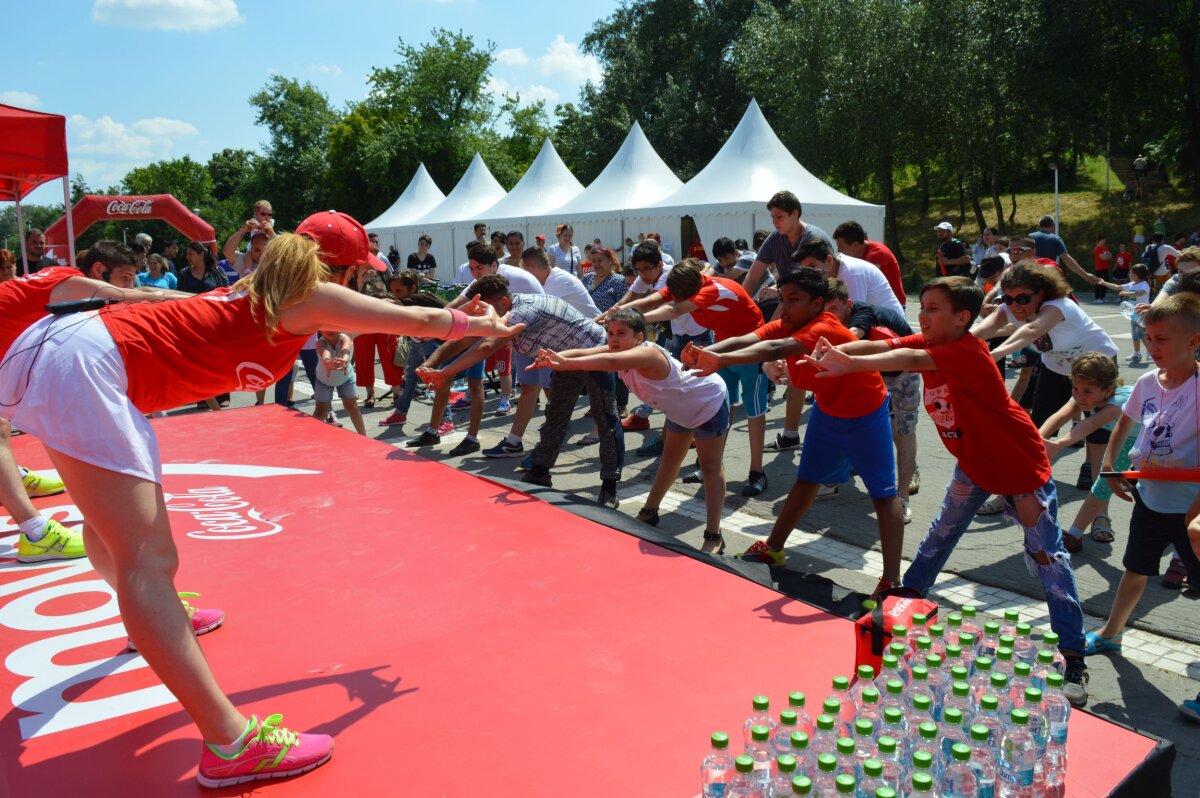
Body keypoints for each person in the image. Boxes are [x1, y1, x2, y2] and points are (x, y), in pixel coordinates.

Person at [0, 215, 520, 788]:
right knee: (150, 561)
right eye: (355, 270)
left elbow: (289, 329)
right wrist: (486, 325)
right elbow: (420, 318)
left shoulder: (262, 284)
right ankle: (230, 744)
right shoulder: (310, 293)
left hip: (59, 348)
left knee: (113, 529)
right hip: (86, 365)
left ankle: (153, 623)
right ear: (338, 267)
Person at [807, 276, 1091, 707]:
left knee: (1047, 557)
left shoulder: (965, 351)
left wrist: (847, 364)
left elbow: (907, 356)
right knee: (943, 531)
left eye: (934, 308)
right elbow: (887, 346)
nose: (923, 314)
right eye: (923, 306)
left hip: (1018, 467)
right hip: (973, 463)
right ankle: (908, 601)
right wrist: (838, 352)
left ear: (962, 318)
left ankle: (1073, 654)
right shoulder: (938, 339)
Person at [685, 268, 904, 592]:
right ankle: (774, 548)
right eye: (782, 298)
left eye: (794, 300)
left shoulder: (821, 327)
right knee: (806, 481)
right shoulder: (791, 323)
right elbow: (752, 338)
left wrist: (721, 361)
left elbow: (774, 350)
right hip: (828, 411)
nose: (784, 307)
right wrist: (710, 351)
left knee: (884, 497)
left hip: (865, 413)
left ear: (818, 303)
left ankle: (891, 580)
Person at [419, 273, 624, 507]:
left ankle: (610, 487)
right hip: (565, 359)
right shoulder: (503, 309)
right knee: (556, 415)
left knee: (606, 418)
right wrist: (430, 365)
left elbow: (486, 346)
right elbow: (461, 340)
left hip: (595, 352)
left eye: (486, 308)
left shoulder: (523, 312)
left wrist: (445, 373)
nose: (482, 314)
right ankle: (540, 471)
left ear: (503, 303)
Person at [534, 307, 729, 542]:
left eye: (621, 333)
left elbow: (608, 360)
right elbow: (586, 352)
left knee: (710, 466)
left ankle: (714, 534)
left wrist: (562, 364)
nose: (614, 339)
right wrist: (555, 356)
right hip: (680, 409)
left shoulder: (647, 355)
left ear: (639, 337)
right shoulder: (621, 350)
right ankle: (650, 511)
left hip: (707, 401)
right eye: (610, 333)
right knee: (670, 459)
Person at [1085, 295, 1200, 659]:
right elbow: (1124, 424)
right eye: (1148, 338)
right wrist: (1108, 466)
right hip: (1150, 498)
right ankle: (1111, 633)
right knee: (1135, 569)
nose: (1152, 346)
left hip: (1190, 508)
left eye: (1162, 339)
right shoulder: (1149, 381)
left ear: (1194, 342)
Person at [614, 258, 770, 497]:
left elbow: (674, 309)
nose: (674, 298)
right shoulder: (687, 283)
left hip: (752, 350)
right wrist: (621, 312)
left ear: (691, 292)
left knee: (754, 411)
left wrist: (634, 321)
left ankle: (757, 472)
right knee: (722, 406)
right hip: (722, 350)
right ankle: (709, 466)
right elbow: (656, 299)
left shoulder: (711, 290)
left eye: (678, 296)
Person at [971, 261, 1118, 498]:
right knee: (1040, 424)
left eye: (1022, 298)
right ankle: (1022, 488)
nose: (1015, 305)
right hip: (1057, 368)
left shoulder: (1058, 306)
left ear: (1041, 293)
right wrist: (946, 343)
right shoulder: (1012, 307)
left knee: (1097, 427)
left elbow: (1032, 331)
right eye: (1008, 299)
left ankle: (1092, 470)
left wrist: (995, 354)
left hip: (1096, 363)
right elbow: (982, 330)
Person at [410, 244, 544, 455]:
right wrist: (431, 337)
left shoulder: (513, 284)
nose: (474, 273)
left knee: (529, 386)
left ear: (494, 265)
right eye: (471, 268)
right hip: (515, 329)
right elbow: (457, 307)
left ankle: (533, 438)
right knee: (528, 387)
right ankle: (435, 430)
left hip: (536, 333)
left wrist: (442, 368)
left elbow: (486, 345)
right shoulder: (482, 284)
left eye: (478, 268)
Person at [736, 191, 838, 453]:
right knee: (786, 360)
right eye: (772, 217)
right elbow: (753, 276)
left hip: (822, 307)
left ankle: (833, 441)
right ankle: (792, 434)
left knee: (811, 369)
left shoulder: (813, 240)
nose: (775, 222)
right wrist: (742, 305)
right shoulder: (775, 238)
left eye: (779, 217)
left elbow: (829, 285)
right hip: (795, 304)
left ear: (795, 214)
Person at [602, 242, 713, 459]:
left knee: (681, 389)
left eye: (647, 269)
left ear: (659, 265)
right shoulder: (650, 276)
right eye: (638, 270)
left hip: (697, 337)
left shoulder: (668, 278)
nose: (643, 275)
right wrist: (609, 314)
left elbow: (652, 304)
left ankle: (674, 437)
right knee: (671, 387)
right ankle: (659, 425)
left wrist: (621, 315)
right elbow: (630, 298)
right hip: (679, 335)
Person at [822, 279, 920, 522]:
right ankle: (834, 477)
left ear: (848, 304)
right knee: (848, 418)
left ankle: (903, 497)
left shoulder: (862, 313)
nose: (828, 315)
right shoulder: (827, 317)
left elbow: (851, 337)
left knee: (903, 428)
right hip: (868, 369)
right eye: (822, 309)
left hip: (902, 371)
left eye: (833, 309)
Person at [1039, 354, 1133, 552]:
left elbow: (1089, 424)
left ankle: (1180, 548)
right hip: (1128, 441)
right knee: (1103, 484)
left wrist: (1058, 444)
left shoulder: (1119, 402)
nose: (1079, 396)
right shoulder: (1085, 395)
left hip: (1154, 442)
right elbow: (1057, 417)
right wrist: (1038, 438)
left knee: (1163, 493)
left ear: (1107, 390)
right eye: (1075, 388)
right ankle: (1074, 534)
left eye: (1087, 391)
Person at [381, 271, 451, 428]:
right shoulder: (409, 299)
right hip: (417, 344)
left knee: (436, 382)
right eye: (393, 291)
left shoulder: (421, 298)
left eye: (399, 291)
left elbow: (448, 310)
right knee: (410, 378)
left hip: (432, 346)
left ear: (413, 288)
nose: (395, 295)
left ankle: (446, 420)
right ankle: (400, 413)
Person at [833, 220, 906, 306]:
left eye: (841, 247)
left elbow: (863, 286)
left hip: (889, 306)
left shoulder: (877, 254)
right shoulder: (861, 252)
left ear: (855, 245)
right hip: (878, 304)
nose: (838, 251)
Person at [311, 330, 367, 435]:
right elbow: (325, 353)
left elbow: (345, 350)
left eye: (332, 326)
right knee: (320, 411)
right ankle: (313, 439)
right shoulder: (320, 342)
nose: (329, 330)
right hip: (324, 380)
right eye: (325, 327)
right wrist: (327, 362)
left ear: (339, 327)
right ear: (320, 330)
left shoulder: (345, 338)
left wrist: (344, 360)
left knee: (352, 407)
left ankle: (364, 436)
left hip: (346, 378)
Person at [1094, 264, 1152, 364]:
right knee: (1135, 335)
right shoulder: (1132, 284)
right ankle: (1137, 353)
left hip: (1142, 312)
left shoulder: (1144, 285)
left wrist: (1125, 293)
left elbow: (1140, 293)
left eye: (1131, 272)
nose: (1129, 274)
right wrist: (1103, 283)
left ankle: (1150, 352)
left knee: (1141, 333)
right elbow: (1117, 287)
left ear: (1137, 275)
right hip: (1133, 312)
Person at [1029, 215, 1100, 285]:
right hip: (1047, 278)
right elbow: (1067, 259)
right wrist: (1086, 275)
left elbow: (1018, 253)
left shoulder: (1028, 237)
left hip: (1029, 277)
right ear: (1053, 226)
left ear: (1039, 226)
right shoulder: (1055, 239)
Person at [1092, 235, 1113, 303]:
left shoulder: (1105, 248)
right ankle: (1097, 298)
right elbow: (1103, 258)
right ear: (1101, 240)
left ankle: (1102, 297)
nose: (1105, 241)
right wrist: (1107, 256)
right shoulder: (1097, 248)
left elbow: (1110, 256)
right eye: (1104, 240)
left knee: (1105, 282)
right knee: (1099, 283)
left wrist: (1106, 256)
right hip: (1099, 268)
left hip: (1105, 267)